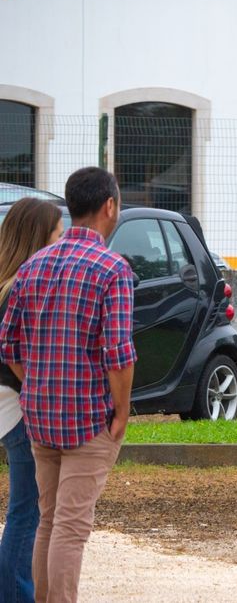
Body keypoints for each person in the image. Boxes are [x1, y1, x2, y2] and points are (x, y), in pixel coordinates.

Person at [0, 167, 136, 603]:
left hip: (40, 419)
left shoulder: (32, 266)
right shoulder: (113, 268)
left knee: (48, 520)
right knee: (72, 529)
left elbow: (10, 344)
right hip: (88, 419)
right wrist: (122, 411)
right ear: (109, 206)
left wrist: (36, 384)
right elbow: (118, 351)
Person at [0, 198, 63, 603]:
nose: (61, 244)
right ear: (39, 238)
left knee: (25, 509)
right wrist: (42, 391)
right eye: (57, 235)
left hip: (8, 407)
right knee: (28, 510)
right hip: (18, 408)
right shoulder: (21, 286)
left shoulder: (7, 282)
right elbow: (14, 353)